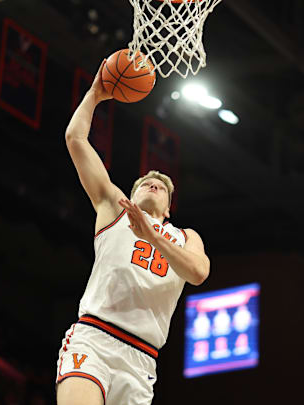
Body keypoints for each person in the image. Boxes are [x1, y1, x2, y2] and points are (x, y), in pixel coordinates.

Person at [55, 59, 210, 405]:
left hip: (141, 359)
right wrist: (96, 93)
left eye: (161, 187)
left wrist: (153, 235)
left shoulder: (187, 237)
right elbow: (75, 139)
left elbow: (199, 273)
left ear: (169, 209)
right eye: (146, 183)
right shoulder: (114, 207)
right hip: (94, 337)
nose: (153, 184)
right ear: (131, 193)